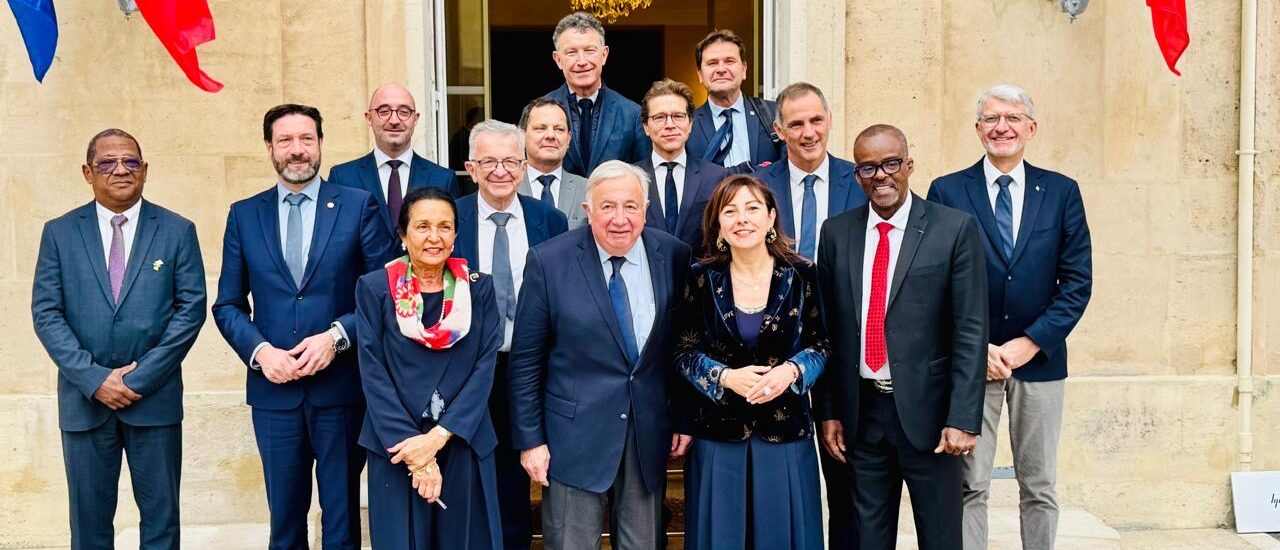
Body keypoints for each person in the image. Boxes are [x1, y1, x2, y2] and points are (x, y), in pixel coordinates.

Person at [212, 104, 397, 549]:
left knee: (342, 521)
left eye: (306, 139)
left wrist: (338, 337)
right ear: (269, 148)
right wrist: (261, 353)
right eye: (286, 141)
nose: (298, 151)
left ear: (320, 143)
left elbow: (386, 293)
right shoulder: (244, 214)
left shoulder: (357, 206)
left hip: (341, 392)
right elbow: (228, 305)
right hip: (274, 393)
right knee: (285, 522)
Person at [927, 84, 1093, 550]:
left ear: (1031, 128)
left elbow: (1077, 282)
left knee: (1039, 485)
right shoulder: (947, 190)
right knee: (969, 484)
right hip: (972, 364)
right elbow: (933, 280)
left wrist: (1031, 342)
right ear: (978, 128)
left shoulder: (1061, 192)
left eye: (1014, 118)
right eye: (992, 118)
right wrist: (973, 346)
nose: (1003, 127)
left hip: (1039, 364)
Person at [815, 124, 987, 550]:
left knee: (941, 538)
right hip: (862, 416)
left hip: (932, 420)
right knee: (867, 538)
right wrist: (830, 411)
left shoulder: (954, 229)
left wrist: (963, 417)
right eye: (868, 167)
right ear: (856, 176)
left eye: (891, 163)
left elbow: (970, 330)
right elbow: (829, 330)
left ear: (909, 165)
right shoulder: (836, 233)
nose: (881, 176)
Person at [32, 129, 207, 550]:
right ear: (88, 173)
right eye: (108, 162)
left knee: (162, 524)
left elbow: (191, 311)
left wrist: (136, 380)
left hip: (155, 402)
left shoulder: (177, 230)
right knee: (89, 527)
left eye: (130, 161)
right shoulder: (58, 232)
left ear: (145, 170)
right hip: (84, 403)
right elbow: (46, 313)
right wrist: (95, 380)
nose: (120, 169)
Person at [508, 160, 691, 550]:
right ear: (588, 210)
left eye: (631, 206)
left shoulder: (674, 256)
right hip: (572, 438)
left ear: (645, 209)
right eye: (608, 206)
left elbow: (681, 348)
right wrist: (530, 440)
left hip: (647, 434)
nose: (620, 219)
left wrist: (684, 417)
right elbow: (526, 360)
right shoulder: (549, 261)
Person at [674, 175, 826, 549]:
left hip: (785, 430)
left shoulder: (803, 274)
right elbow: (682, 351)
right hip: (718, 433)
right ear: (719, 225)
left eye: (753, 208)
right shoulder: (699, 278)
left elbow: (822, 343)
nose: (742, 218)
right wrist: (724, 377)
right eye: (730, 211)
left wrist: (792, 371)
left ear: (771, 217)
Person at [354, 186, 504, 549]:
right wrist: (418, 457)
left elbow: (485, 366)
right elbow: (373, 372)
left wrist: (438, 437)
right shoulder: (375, 289)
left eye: (445, 226)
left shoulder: (478, 289)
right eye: (422, 226)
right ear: (403, 235)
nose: (434, 237)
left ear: (455, 234)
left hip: (463, 439)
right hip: (398, 447)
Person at [756, 81, 865, 544]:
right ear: (778, 129)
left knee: (850, 488)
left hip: (847, 354)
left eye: (815, 120)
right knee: (783, 491)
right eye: (796, 123)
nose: (808, 132)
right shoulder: (756, 185)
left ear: (829, 120)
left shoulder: (861, 180)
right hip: (776, 359)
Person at [453, 119, 569, 550]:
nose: (499, 171)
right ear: (471, 167)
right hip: (470, 372)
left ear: (523, 167)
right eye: (488, 161)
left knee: (526, 478)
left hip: (534, 369)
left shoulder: (550, 220)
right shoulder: (453, 218)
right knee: (475, 476)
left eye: (509, 161)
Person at [330, 83, 460, 238]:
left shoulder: (443, 178)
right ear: (369, 118)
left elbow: (452, 237)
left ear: (415, 119)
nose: (394, 120)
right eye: (384, 111)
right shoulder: (343, 177)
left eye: (404, 112)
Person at [542, 12, 649, 177]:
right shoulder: (538, 111)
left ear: (604, 55)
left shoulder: (632, 114)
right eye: (571, 52)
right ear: (558, 60)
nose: (582, 61)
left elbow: (643, 176)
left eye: (589, 51)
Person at [634, 78, 728, 256]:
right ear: (646, 126)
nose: (670, 125)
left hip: (699, 280)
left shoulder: (716, 177)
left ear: (690, 124)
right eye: (659, 117)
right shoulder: (630, 178)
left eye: (678, 116)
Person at [686, 29, 783, 174]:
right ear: (700, 74)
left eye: (729, 61)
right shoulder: (686, 126)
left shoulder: (773, 113)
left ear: (744, 69)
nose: (721, 69)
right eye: (712, 63)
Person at [517, 98, 589, 229]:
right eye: (540, 128)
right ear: (522, 135)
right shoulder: (508, 187)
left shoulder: (588, 190)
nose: (551, 135)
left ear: (569, 139)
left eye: (559, 129)